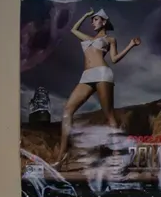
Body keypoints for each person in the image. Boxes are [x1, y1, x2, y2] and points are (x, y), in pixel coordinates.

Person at [59, 8, 142, 160]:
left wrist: (130, 45)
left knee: (109, 115)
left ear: (104, 22)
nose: (92, 22)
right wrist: (86, 15)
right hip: (86, 75)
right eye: (92, 20)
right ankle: (62, 155)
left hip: (102, 73)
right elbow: (73, 29)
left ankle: (117, 156)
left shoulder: (110, 39)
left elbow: (114, 59)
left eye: (95, 19)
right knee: (67, 110)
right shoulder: (87, 38)